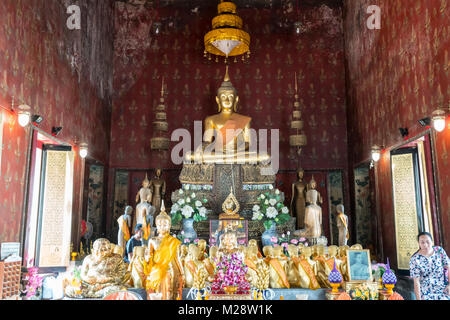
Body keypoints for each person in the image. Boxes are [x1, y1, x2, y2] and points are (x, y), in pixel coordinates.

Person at [409, 232, 449, 300]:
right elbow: (416, 282)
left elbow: (448, 267)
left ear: (432, 241)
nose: (425, 244)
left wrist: (449, 285)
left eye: (428, 241)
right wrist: (419, 299)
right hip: (426, 292)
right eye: (422, 242)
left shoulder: (439, 251)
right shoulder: (415, 259)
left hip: (443, 288)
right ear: (419, 243)